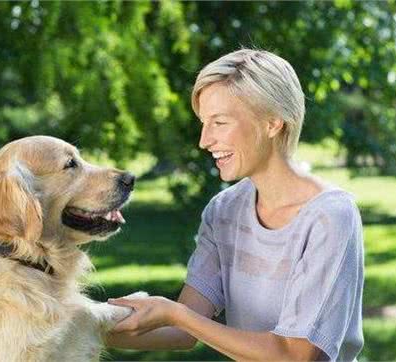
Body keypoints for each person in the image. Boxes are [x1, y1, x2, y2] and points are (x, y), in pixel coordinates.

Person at [106, 49, 364, 361]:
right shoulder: (224, 210)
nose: (204, 140)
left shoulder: (330, 217)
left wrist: (174, 314)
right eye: (204, 122)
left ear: (272, 123)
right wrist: (78, 323)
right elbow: (184, 331)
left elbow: (294, 356)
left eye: (220, 122)